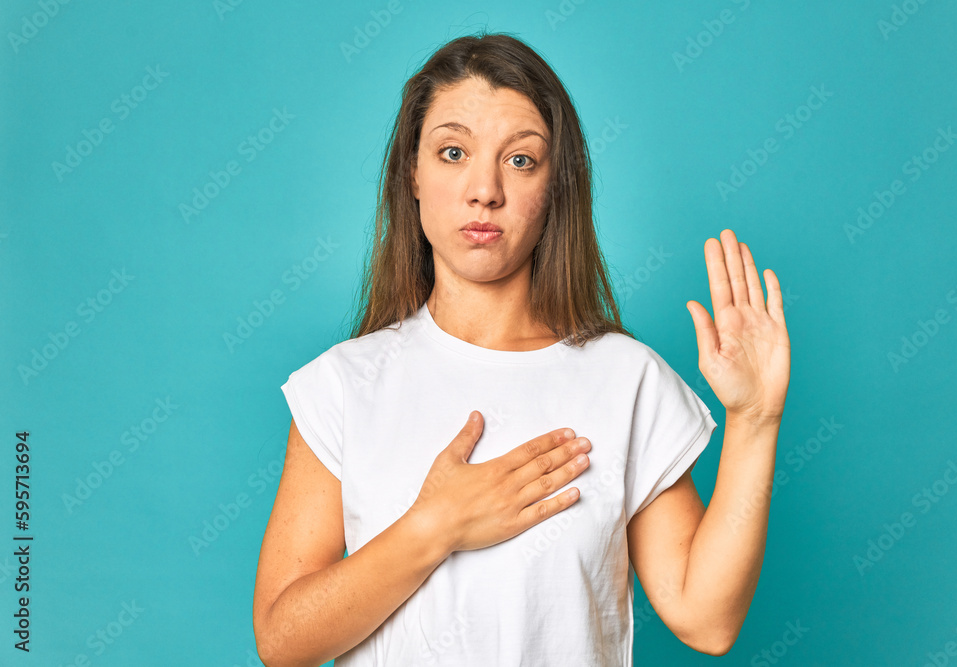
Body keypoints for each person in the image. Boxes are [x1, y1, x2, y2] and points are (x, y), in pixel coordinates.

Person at [252, 31, 790, 667]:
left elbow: (708, 621)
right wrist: (436, 526)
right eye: (453, 152)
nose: (485, 190)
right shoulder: (344, 385)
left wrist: (755, 421)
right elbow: (282, 641)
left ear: (556, 188)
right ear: (413, 176)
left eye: (520, 160)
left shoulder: (626, 379)